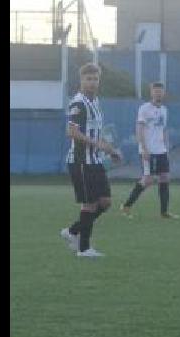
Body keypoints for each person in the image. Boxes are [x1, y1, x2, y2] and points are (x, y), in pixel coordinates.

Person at [60, 62, 122, 258]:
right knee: (89, 204)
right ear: (81, 80)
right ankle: (84, 249)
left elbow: (97, 132)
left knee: (105, 202)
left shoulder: (95, 102)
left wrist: (111, 150)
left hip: (95, 160)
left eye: (95, 79)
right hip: (80, 160)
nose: (92, 82)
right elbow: (71, 132)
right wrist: (96, 144)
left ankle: (72, 231)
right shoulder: (78, 103)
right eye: (88, 78)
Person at [120, 82, 180, 219]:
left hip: (161, 150)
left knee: (164, 177)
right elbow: (139, 129)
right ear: (151, 93)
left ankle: (164, 212)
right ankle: (126, 206)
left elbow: (163, 129)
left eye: (160, 91)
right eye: (156, 91)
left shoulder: (165, 109)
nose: (158, 93)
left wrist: (166, 145)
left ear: (163, 93)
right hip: (149, 150)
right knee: (148, 179)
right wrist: (144, 149)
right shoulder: (144, 108)